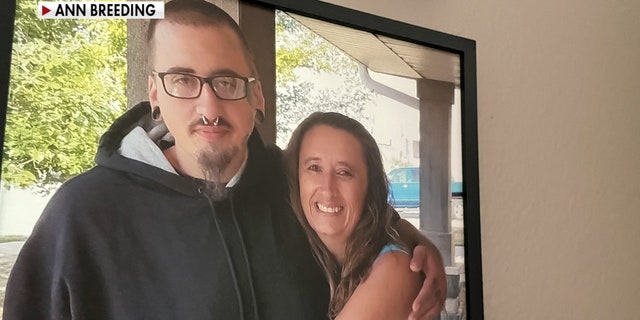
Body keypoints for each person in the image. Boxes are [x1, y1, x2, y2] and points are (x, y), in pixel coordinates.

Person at [3, 0, 445, 319]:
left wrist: (424, 250)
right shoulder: (81, 215)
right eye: (183, 80)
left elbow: (368, 214)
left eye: (227, 82)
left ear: (257, 95)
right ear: (155, 93)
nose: (209, 107)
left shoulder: (290, 183)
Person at [285, 112, 422, 319]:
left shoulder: (393, 268)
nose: (328, 189)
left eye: (344, 172)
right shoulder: (308, 258)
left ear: (369, 187)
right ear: (296, 179)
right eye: (314, 168)